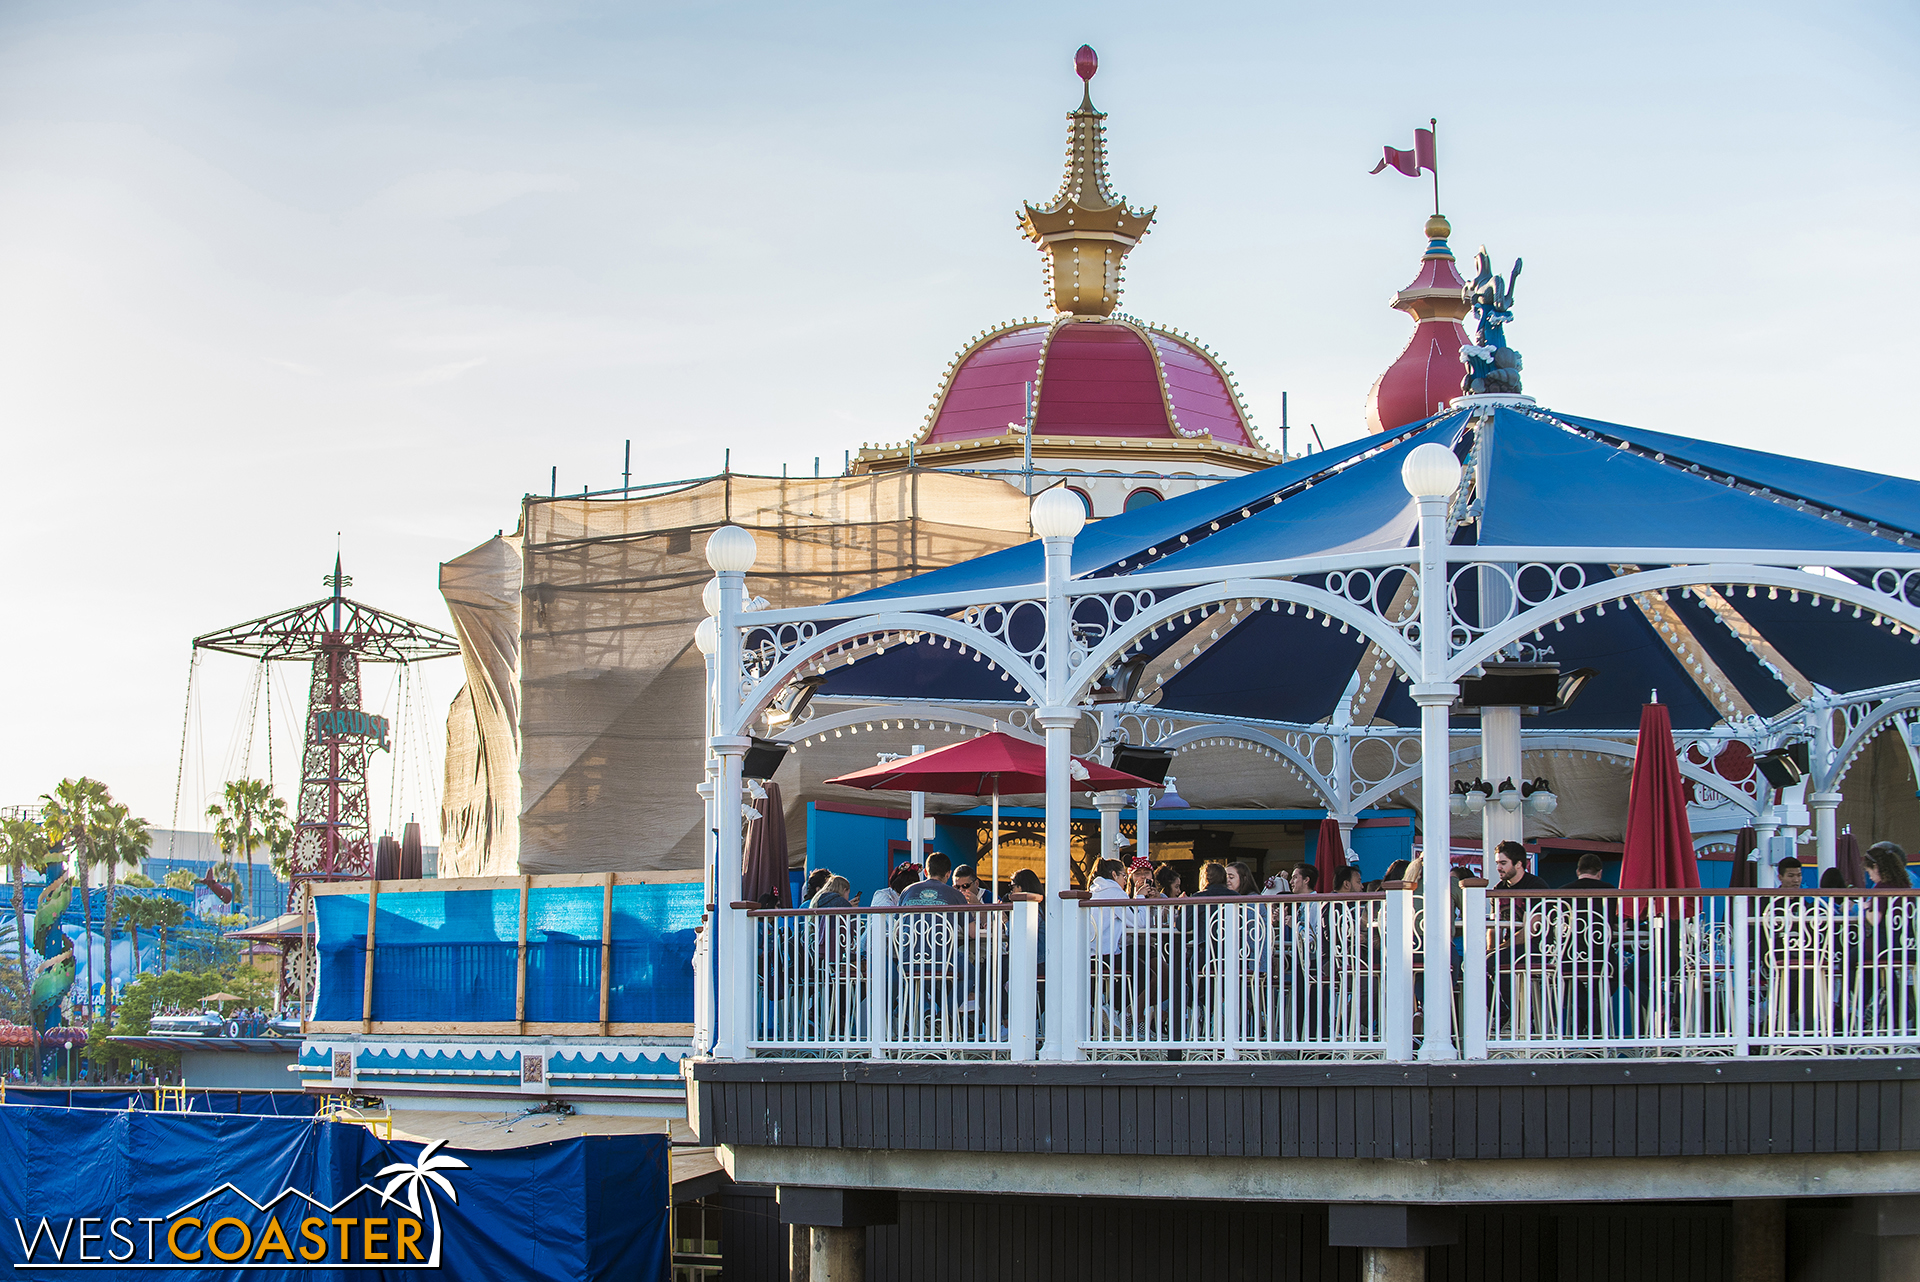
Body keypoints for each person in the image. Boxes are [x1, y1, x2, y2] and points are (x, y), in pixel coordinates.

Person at [899, 853, 969, 907]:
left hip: (911, 926)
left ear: (925, 872)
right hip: (942, 926)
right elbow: (970, 925)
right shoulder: (956, 895)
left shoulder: (906, 891)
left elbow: (896, 923)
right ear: (948, 874)